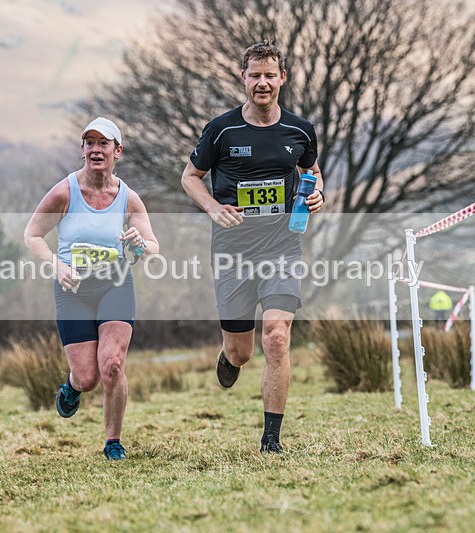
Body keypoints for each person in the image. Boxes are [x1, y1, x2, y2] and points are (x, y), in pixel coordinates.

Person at [180, 40, 325, 453]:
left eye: (269, 75)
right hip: (232, 253)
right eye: (254, 75)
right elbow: (190, 176)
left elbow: (311, 172)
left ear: (282, 78)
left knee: (277, 336)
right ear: (243, 79)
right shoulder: (222, 129)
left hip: (282, 248)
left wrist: (317, 195)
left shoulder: (300, 130)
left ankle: (271, 439)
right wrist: (211, 207)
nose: (262, 83)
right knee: (241, 352)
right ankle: (228, 357)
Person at [24, 117, 159, 461]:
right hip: (73, 290)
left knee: (112, 364)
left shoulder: (127, 198)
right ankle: (71, 385)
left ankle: (113, 441)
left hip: (115, 283)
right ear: (82, 149)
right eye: (90, 143)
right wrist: (57, 265)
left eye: (104, 143)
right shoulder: (64, 192)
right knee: (88, 378)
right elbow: (33, 234)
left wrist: (140, 243)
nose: (96, 149)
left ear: (118, 151)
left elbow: (151, 248)